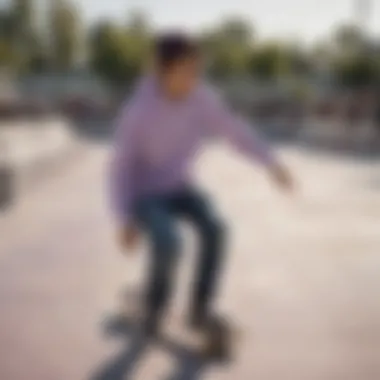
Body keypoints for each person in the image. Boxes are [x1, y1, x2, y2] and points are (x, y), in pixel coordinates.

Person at [109, 33, 294, 340]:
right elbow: (120, 168)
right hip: (147, 195)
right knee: (170, 240)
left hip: (181, 187)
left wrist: (270, 162)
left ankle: (199, 311)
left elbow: (234, 132)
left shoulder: (202, 98)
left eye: (197, 70)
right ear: (163, 70)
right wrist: (124, 218)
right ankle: (154, 309)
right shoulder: (137, 112)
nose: (193, 79)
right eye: (186, 71)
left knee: (216, 228)